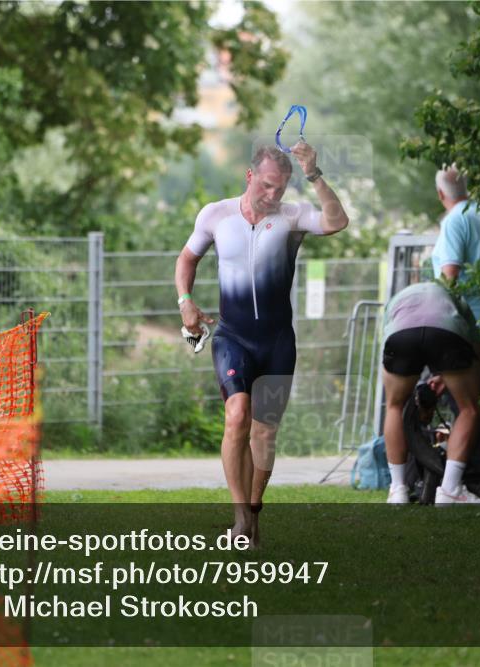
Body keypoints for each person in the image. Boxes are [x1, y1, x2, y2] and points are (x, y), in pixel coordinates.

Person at [174, 143, 350, 543]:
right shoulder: (215, 215)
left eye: (281, 188)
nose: (273, 196)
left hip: (277, 342)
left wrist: (314, 174)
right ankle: (239, 518)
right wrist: (186, 301)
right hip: (232, 336)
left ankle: (254, 513)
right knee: (237, 416)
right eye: (267, 186)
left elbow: (337, 221)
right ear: (250, 176)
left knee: (265, 433)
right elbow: (187, 260)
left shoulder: (293, 217)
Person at [381, 279, 480, 505]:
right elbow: (478, 351)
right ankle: (450, 489)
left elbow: (387, 341)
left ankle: (398, 490)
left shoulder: (396, 300)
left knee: (394, 406)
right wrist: (467, 382)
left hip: (401, 335)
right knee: (469, 409)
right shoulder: (455, 299)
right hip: (446, 332)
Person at [430, 163, 480, 455]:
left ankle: (468, 467)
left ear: (440, 193)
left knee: (462, 401)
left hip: (464, 323)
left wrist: (440, 317)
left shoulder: (454, 221)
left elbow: (450, 275)